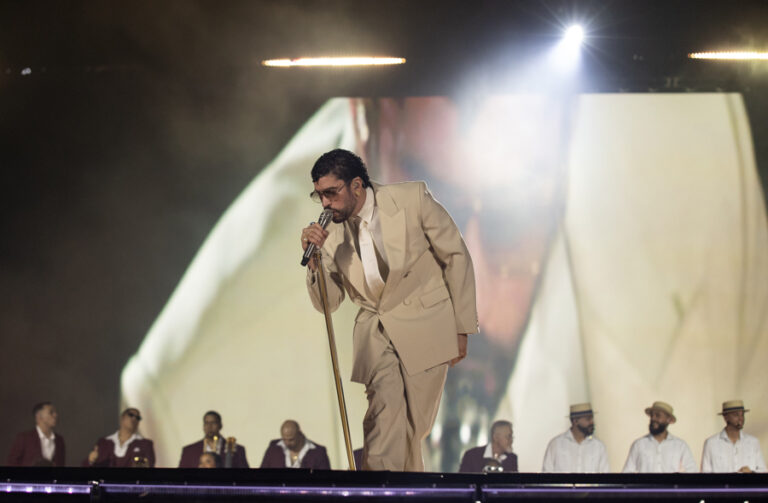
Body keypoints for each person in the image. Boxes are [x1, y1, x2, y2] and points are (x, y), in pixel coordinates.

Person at [301, 148, 478, 472]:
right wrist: (314, 263)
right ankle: (376, 490)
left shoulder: (411, 199)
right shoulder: (329, 234)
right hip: (375, 331)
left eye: (331, 193)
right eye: (319, 195)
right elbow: (329, 303)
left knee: (411, 430)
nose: (325, 203)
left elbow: (455, 255)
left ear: (356, 186)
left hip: (426, 323)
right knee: (384, 416)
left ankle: (404, 491)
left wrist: (461, 326)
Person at [622, 401, 696, 473]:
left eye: (658, 415)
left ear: (668, 420)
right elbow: (627, 474)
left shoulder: (680, 445)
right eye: (652, 415)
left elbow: (692, 471)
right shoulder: (639, 444)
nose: (653, 418)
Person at [541, 403, 609, 473]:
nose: (592, 422)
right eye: (588, 419)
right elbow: (547, 475)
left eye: (592, 418)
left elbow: (604, 478)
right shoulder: (556, 444)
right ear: (575, 421)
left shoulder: (598, 447)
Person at [701, 400, 766, 473]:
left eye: (742, 415)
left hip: (747, 484)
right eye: (736, 415)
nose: (740, 418)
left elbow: (763, 472)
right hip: (721, 484)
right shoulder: (711, 443)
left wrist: (751, 473)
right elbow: (705, 475)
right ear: (726, 417)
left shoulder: (753, 442)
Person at [84, 408, 155, 467]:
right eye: (131, 415)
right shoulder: (104, 443)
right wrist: (90, 460)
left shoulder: (145, 445)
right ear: (122, 418)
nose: (134, 419)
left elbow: (148, 468)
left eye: (138, 418)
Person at [178, 411, 248, 468]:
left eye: (213, 423)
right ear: (203, 426)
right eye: (207, 423)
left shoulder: (238, 450)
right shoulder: (189, 451)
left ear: (220, 425)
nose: (209, 426)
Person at [6, 402, 66, 467]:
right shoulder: (24, 438)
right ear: (39, 416)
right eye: (51, 412)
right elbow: (11, 464)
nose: (55, 415)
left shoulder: (59, 440)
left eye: (55, 412)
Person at [260, 420, 331, 469]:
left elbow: (325, 479)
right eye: (284, 439)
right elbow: (262, 474)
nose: (287, 443)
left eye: (291, 440)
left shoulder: (318, 453)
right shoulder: (274, 448)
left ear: (299, 434)